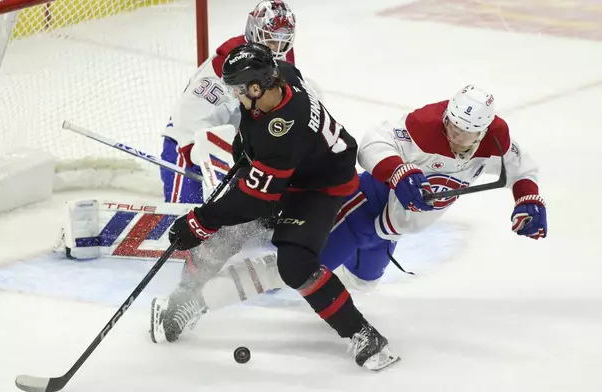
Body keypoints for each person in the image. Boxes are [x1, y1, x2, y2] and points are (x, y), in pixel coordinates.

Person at [151, 84, 547, 363]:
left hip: (388, 232)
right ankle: (191, 304)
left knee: (365, 281)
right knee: (292, 271)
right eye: (452, 126)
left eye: (465, 133)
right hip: (362, 206)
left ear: (482, 129)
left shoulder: (495, 139)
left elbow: (519, 165)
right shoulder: (426, 124)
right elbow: (373, 141)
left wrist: (527, 199)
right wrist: (401, 172)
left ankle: (302, 258)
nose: (455, 135)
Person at [152, 42, 400, 372]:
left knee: (294, 264)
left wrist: (199, 222)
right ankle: (184, 301)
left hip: (320, 187)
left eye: (240, 90)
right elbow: (259, 111)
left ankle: (364, 335)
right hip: (297, 167)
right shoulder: (280, 77)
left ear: (257, 86)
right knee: (227, 228)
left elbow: (255, 199)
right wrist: (244, 150)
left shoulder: (282, 131)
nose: (236, 97)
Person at [161, 0, 297, 204]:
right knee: (185, 216)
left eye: (282, 42)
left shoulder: (283, 58)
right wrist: (194, 151)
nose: (276, 48)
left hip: (232, 149)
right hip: (187, 142)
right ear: (254, 32)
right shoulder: (230, 60)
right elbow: (188, 114)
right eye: (270, 40)